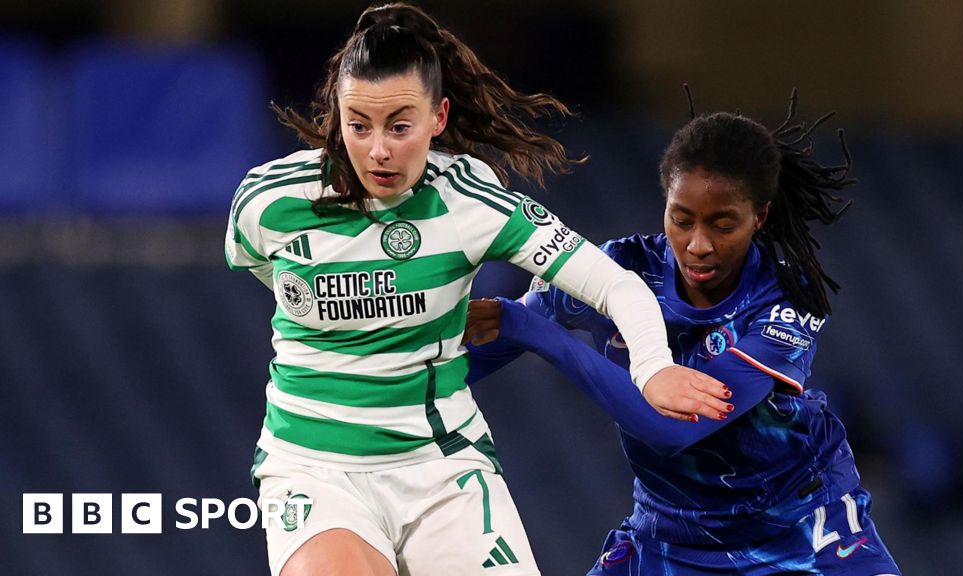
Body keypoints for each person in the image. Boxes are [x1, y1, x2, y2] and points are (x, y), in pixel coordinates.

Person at [224, 5, 731, 576]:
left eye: (399, 124)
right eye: (358, 124)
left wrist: (653, 367)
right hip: (314, 469)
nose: (378, 150)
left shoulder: (468, 199)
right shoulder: (269, 201)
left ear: (438, 117)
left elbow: (614, 283)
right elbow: (263, 269)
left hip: (440, 468)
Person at [465, 91, 902, 575]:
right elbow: (483, 347)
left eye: (723, 225)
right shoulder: (617, 271)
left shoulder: (783, 299)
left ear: (760, 217)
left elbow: (671, 430)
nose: (698, 245)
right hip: (669, 539)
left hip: (797, 532)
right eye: (682, 219)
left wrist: (533, 330)